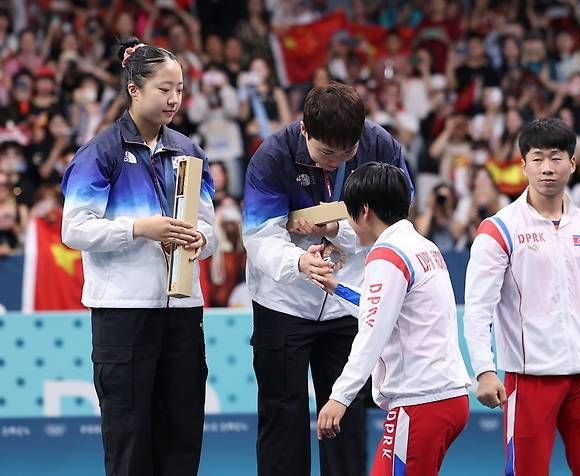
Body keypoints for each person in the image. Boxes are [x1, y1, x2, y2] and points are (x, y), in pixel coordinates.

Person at [60, 37, 218, 476]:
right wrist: (140, 228)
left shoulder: (189, 151)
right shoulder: (100, 153)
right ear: (135, 89)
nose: (174, 99)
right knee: (129, 436)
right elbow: (73, 230)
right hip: (123, 314)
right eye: (164, 89)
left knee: (183, 433)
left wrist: (198, 240)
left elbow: (212, 230)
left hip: (184, 311)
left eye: (180, 89)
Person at [242, 82, 413, 476]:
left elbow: (397, 215)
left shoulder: (379, 145)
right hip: (282, 302)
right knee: (281, 416)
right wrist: (300, 262)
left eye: (347, 152)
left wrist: (338, 230)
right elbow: (258, 235)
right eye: (325, 152)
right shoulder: (272, 156)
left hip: (347, 299)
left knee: (346, 418)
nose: (336, 162)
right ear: (304, 130)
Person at [464, 118, 580, 476]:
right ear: (523, 165)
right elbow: (478, 308)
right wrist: (484, 370)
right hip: (530, 376)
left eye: (556, 158)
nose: (547, 168)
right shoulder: (499, 229)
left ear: (573, 163)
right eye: (538, 158)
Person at [313, 162, 470, 475]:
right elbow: (385, 311)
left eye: (350, 212)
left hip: (420, 401)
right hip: (446, 397)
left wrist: (339, 396)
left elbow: (372, 332)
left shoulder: (386, 254)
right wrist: (335, 287)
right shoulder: (423, 246)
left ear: (365, 210)